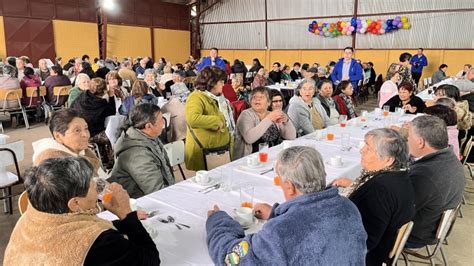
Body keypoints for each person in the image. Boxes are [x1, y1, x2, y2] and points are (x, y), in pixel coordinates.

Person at [206, 146, 367, 265]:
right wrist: (276, 213)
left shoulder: (280, 232)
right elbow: (314, 221)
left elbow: (232, 259)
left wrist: (217, 221)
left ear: (289, 186)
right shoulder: (349, 208)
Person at [4, 157, 160, 265]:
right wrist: (126, 213)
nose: (98, 188)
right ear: (75, 203)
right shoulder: (96, 243)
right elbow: (150, 260)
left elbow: (72, 228)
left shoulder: (32, 216)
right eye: (92, 186)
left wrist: (121, 223)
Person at [333, 129, 415, 265]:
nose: (362, 150)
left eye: (368, 148)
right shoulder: (399, 175)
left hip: (366, 257)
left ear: (388, 160)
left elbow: (365, 242)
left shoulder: (380, 190)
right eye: (364, 145)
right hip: (380, 245)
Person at [405, 115, 465, 247]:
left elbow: (397, 211)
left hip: (416, 234)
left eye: (409, 137)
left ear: (421, 142)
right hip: (433, 225)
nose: (407, 140)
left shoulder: (424, 176)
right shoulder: (449, 157)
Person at [110, 104, 175, 198]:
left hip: (147, 197)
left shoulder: (149, 137)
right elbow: (156, 191)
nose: (163, 123)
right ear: (148, 126)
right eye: (161, 120)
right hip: (137, 203)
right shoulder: (137, 155)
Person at [32, 109, 107, 179]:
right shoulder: (52, 165)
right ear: (58, 136)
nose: (85, 134)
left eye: (86, 128)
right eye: (77, 130)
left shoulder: (82, 152)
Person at [185, 66, 234, 171]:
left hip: (220, 150)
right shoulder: (196, 97)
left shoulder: (219, 97)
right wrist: (217, 121)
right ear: (211, 82)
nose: (223, 84)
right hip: (205, 152)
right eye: (221, 82)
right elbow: (192, 119)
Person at [234, 87, 296, 159]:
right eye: (254, 97)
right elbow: (249, 138)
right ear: (250, 101)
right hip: (251, 160)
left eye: (261, 97)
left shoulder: (272, 114)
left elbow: (291, 137)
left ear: (268, 102)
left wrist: (287, 121)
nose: (257, 99)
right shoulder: (246, 114)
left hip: (274, 157)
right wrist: (269, 119)